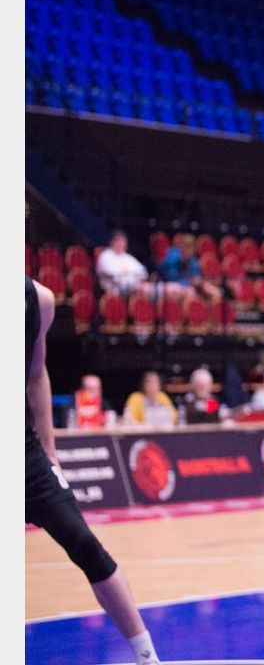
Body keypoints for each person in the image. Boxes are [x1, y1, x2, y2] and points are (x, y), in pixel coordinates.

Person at [25, 277, 164, 665]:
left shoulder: (39, 299)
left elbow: (36, 374)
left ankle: (147, 657)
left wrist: (50, 451)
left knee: (86, 546)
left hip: (25, 457)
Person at [158, 233, 222, 303]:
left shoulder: (194, 261)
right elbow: (170, 278)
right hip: (172, 285)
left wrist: (199, 281)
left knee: (216, 292)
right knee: (190, 293)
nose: (189, 249)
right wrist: (190, 282)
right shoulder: (172, 256)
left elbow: (197, 277)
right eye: (187, 246)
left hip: (190, 286)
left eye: (191, 247)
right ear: (181, 246)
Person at [96, 229, 150, 297]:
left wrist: (132, 277)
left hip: (131, 286)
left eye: (123, 241)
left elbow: (143, 272)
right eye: (118, 241)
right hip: (113, 289)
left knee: (150, 287)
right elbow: (113, 275)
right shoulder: (105, 256)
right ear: (112, 242)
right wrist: (131, 275)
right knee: (143, 289)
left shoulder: (127, 257)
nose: (121, 243)